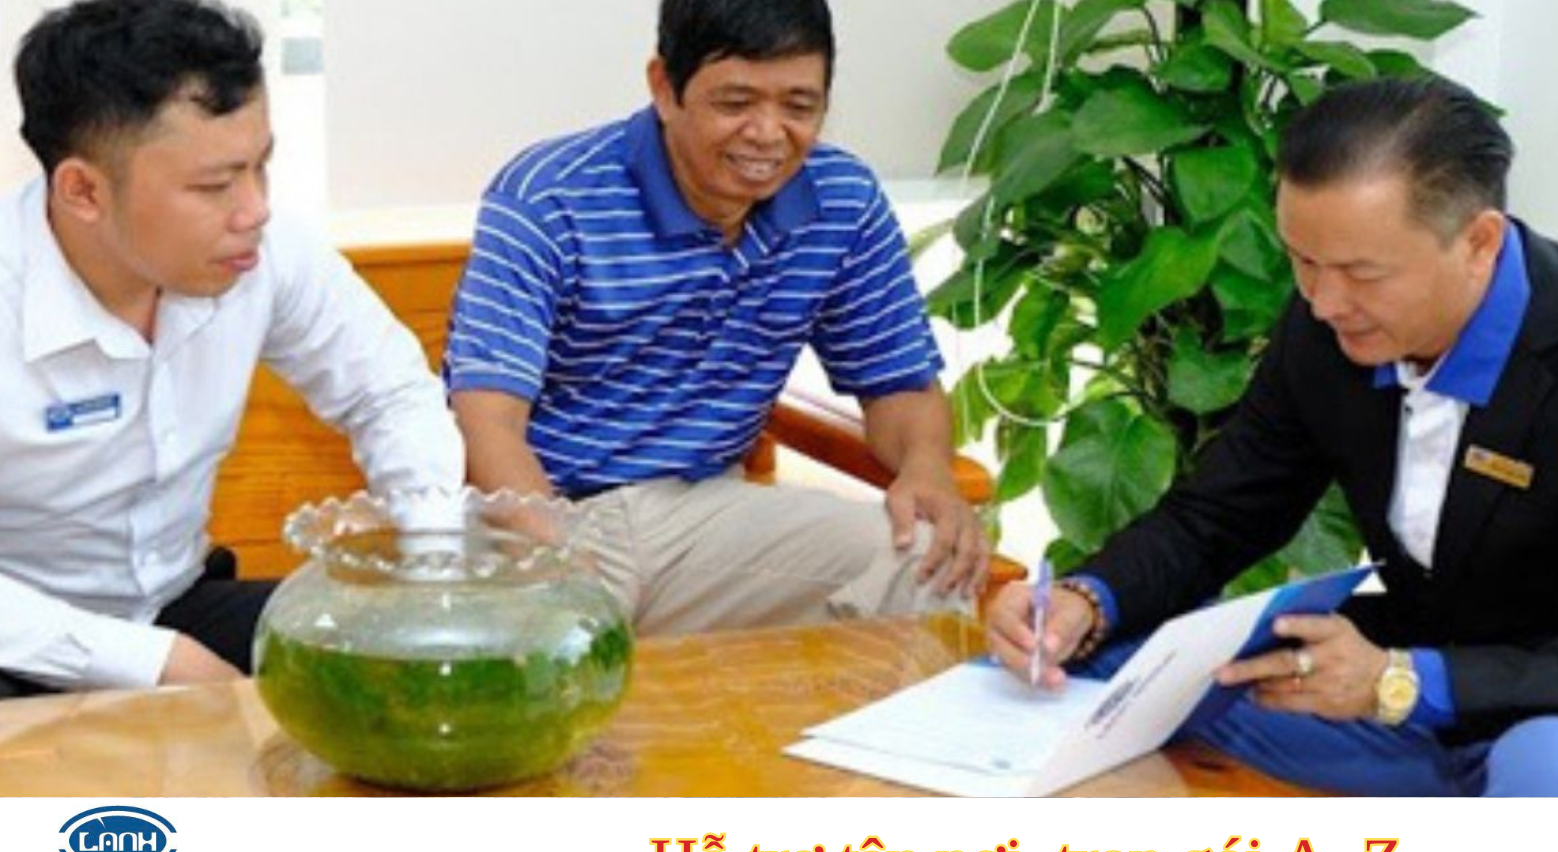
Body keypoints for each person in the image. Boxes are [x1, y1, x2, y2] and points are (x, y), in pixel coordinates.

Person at [986, 76, 1558, 797]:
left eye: (1362, 273)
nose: (1324, 301)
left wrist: (1407, 682)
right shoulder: (1327, 326)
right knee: (1109, 669)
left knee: (1551, 771)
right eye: (1302, 261)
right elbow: (1219, 514)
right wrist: (1086, 602)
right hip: (1406, 704)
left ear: (1479, 242)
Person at [443, 0, 986, 636]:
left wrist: (927, 468)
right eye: (735, 103)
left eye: (799, 106)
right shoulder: (548, 196)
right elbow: (488, 424)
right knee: (550, 658)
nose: (767, 134)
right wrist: (558, 560)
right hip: (544, 517)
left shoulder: (843, 200)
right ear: (664, 87)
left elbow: (901, 387)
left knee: (926, 560)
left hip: (706, 517)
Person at [0, 0, 463, 697]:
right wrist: (153, 663)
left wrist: (432, 557)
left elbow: (389, 393)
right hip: (23, 637)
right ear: (83, 191)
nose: (255, 209)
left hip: (177, 604)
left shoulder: (265, 253)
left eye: (260, 167)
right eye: (214, 185)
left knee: (418, 665)